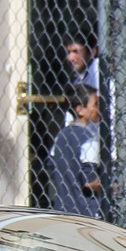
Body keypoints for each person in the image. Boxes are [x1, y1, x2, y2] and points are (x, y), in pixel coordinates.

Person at [47, 86, 102, 217]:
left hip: (62, 208)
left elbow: (50, 166)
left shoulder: (61, 135)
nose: (99, 109)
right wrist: (108, 188)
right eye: (95, 104)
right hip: (86, 211)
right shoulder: (89, 139)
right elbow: (90, 180)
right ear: (80, 110)